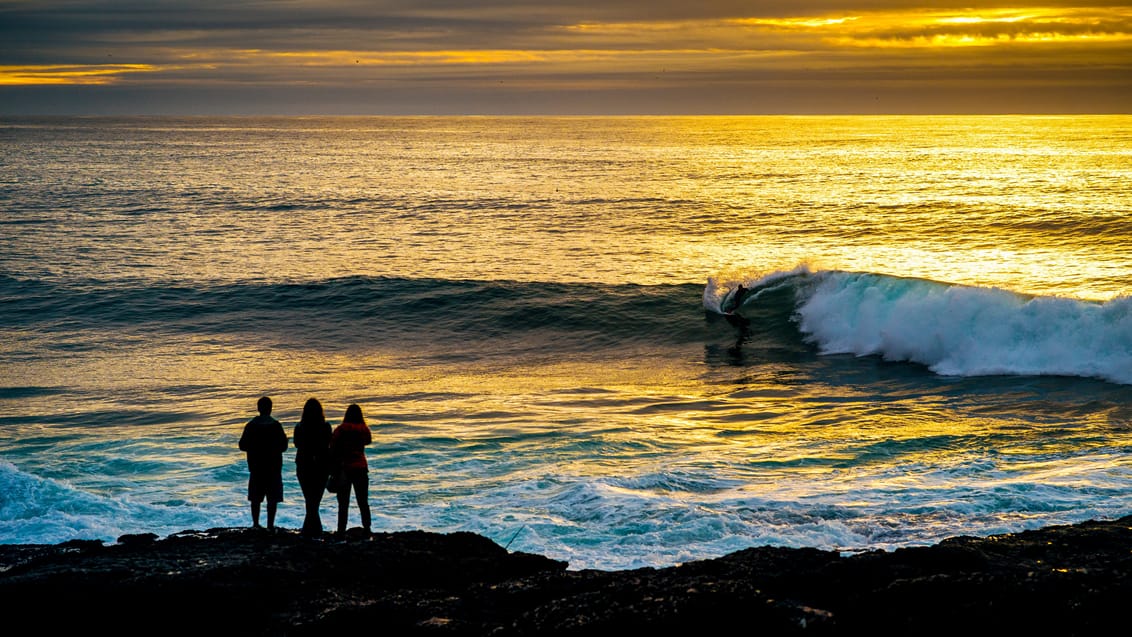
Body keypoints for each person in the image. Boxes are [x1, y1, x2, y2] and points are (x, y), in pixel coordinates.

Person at [238, 396, 288, 531]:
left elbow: (242, 445)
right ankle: (270, 525)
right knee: (272, 498)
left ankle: (255, 524)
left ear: (258, 408)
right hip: (273, 466)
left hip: (256, 466)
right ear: (271, 409)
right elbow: (284, 446)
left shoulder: (251, 426)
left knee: (255, 498)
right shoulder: (276, 426)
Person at [331, 403, 373, 536]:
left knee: (343, 503)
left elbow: (332, 445)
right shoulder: (363, 429)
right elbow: (368, 441)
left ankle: (341, 530)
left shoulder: (341, 429)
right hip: (360, 467)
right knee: (363, 501)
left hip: (344, 468)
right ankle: (367, 528)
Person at [293, 397, 333, 537]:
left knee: (309, 499)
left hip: (304, 464)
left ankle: (310, 530)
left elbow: (296, 444)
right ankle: (314, 530)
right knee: (315, 499)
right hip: (322, 465)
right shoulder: (326, 426)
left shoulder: (299, 427)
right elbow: (330, 444)